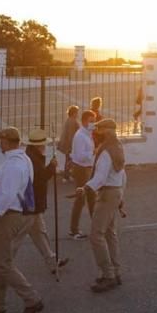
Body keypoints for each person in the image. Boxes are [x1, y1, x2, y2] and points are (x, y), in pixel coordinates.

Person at [0, 126, 43, 313]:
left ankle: (32, 299)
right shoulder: (21, 160)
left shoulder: (14, 165)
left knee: (1, 264)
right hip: (14, 215)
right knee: (2, 261)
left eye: (0, 140)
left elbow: (8, 195)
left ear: (7, 142)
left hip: (7, 217)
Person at [81, 119, 126, 292]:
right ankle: (116, 271)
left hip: (107, 195)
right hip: (114, 192)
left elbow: (100, 178)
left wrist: (84, 188)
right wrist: (120, 196)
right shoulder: (117, 147)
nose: (94, 134)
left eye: (98, 131)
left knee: (96, 235)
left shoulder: (106, 152)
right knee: (109, 233)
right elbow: (123, 175)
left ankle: (108, 276)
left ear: (106, 132)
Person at [22, 129, 69, 275]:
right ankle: (4, 263)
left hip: (33, 204)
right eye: (43, 145)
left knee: (39, 233)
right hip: (31, 204)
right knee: (17, 238)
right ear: (38, 146)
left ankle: (52, 261)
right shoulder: (33, 159)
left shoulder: (33, 155)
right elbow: (40, 178)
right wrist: (52, 167)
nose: (45, 147)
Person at [69, 109, 98, 238]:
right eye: (91, 121)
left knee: (92, 198)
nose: (94, 123)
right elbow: (80, 156)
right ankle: (73, 230)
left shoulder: (87, 133)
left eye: (94, 121)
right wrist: (93, 153)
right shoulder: (80, 136)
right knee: (81, 199)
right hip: (81, 169)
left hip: (87, 168)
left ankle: (97, 227)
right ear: (85, 121)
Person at [57, 105, 80, 182]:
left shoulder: (69, 120)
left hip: (67, 144)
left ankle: (68, 175)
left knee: (69, 160)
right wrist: (72, 146)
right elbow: (71, 135)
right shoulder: (72, 121)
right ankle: (67, 176)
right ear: (73, 113)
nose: (78, 114)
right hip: (70, 145)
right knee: (69, 160)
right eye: (77, 112)